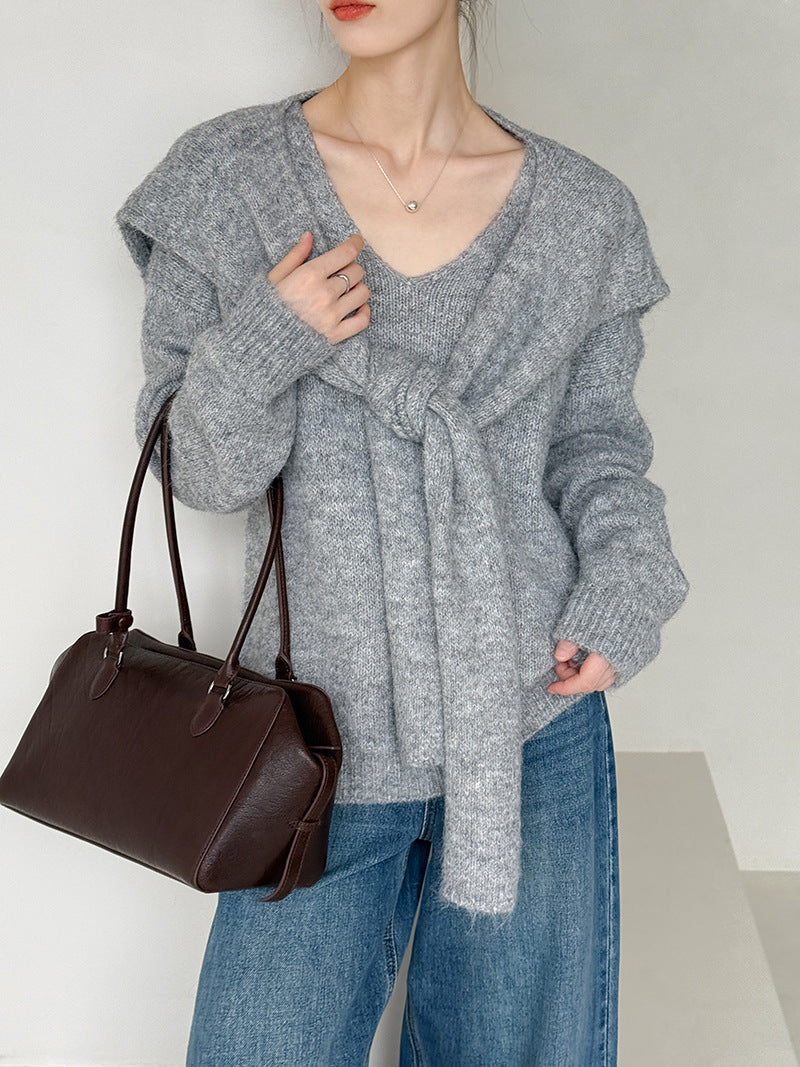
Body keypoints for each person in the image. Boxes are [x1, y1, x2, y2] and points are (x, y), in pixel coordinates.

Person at [114, 1, 689, 1062]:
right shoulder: (225, 181)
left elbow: (598, 452)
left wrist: (623, 588)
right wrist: (267, 340)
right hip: (310, 745)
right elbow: (198, 473)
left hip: (530, 724)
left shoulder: (583, 216)